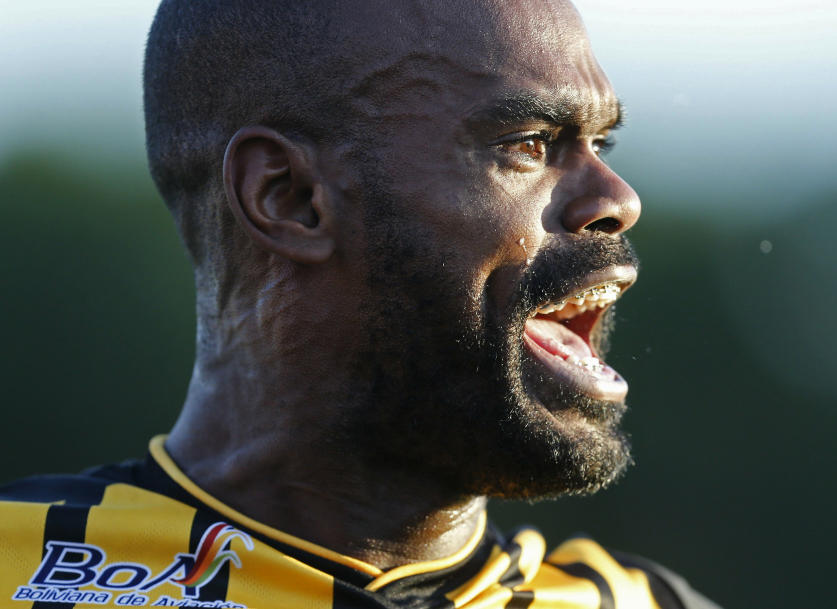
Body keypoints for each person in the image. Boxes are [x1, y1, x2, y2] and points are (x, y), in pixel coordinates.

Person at [0, 1, 720, 607]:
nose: (617, 200)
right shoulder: (23, 570)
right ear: (289, 197)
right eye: (530, 143)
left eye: (602, 142)